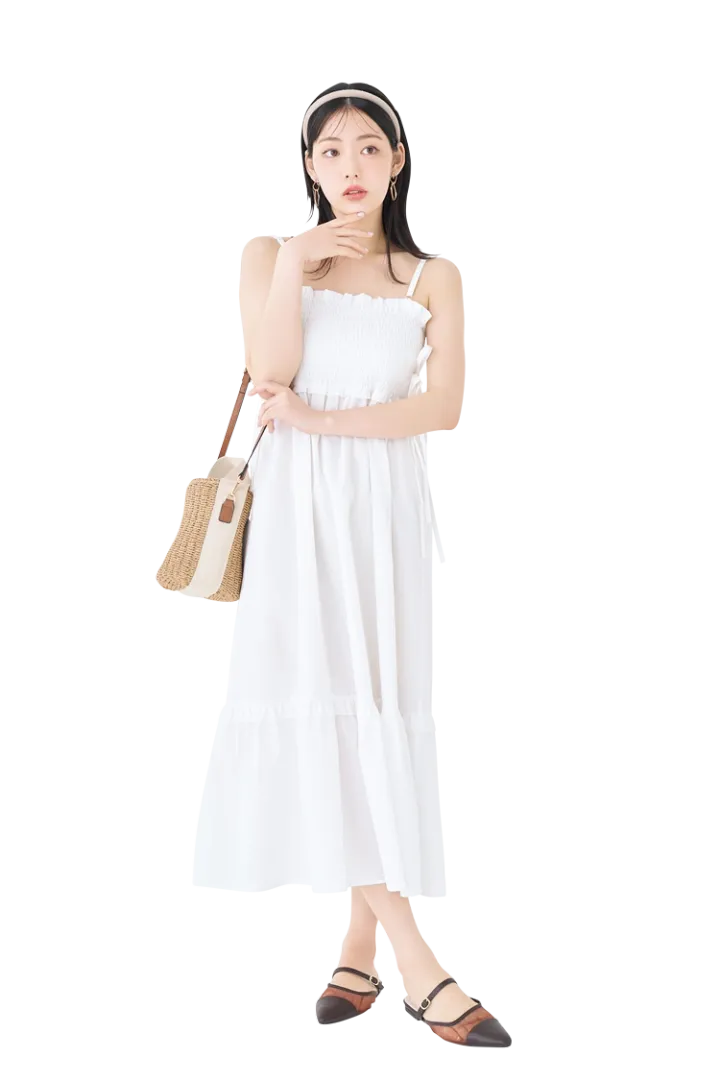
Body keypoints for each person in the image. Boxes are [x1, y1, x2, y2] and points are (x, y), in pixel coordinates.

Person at [192, 81, 512, 1049]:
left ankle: (353, 962)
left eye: (369, 146)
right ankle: (422, 966)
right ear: (308, 166)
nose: (350, 166)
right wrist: (296, 263)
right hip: (302, 508)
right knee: (330, 710)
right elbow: (269, 374)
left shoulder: (430, 275)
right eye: (329, 150)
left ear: (398, 160)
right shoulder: (269, 253)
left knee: (374, 708)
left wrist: (324, 422)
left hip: (385, 506)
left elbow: (442, 406)